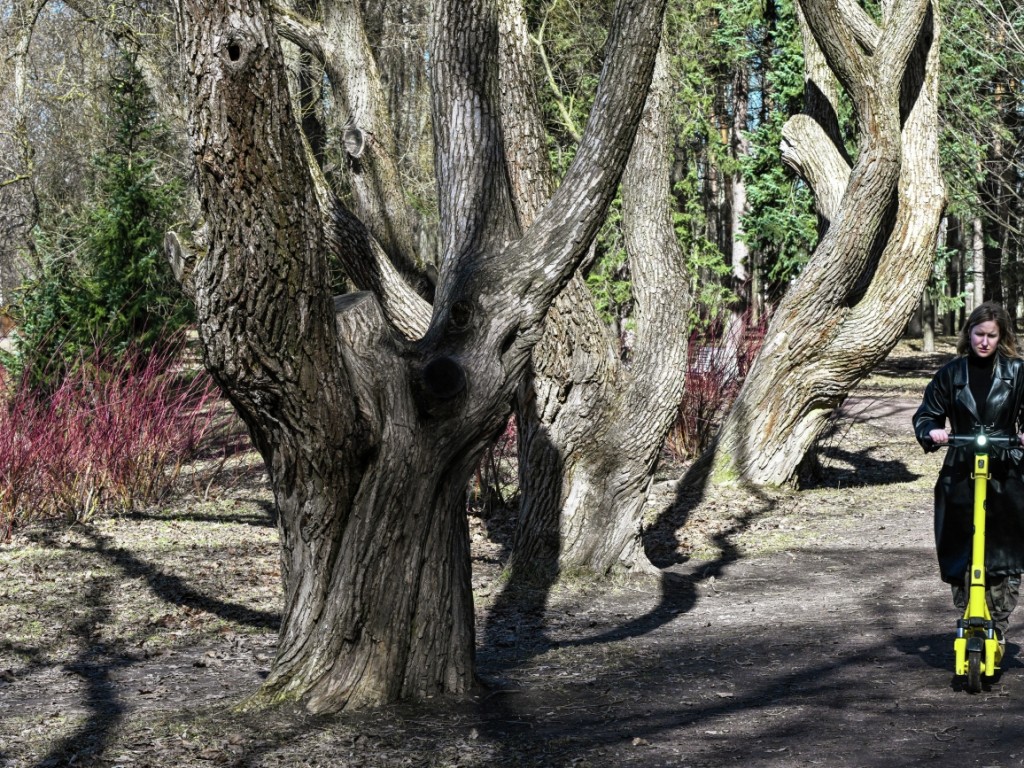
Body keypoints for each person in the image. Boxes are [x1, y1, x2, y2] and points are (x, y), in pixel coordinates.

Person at [913, 301, 1024, 647]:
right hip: (961, 470)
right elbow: (927, 414)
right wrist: (932, 431)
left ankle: (999, 624)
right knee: (961, 546)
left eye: (992, 335)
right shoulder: (951, 374)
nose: (985, 341)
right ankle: (968, 613)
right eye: (979, 334)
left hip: (1005, 471)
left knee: (1004, 551)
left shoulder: (1018, 372)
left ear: (1001, 336)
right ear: (969, 333)